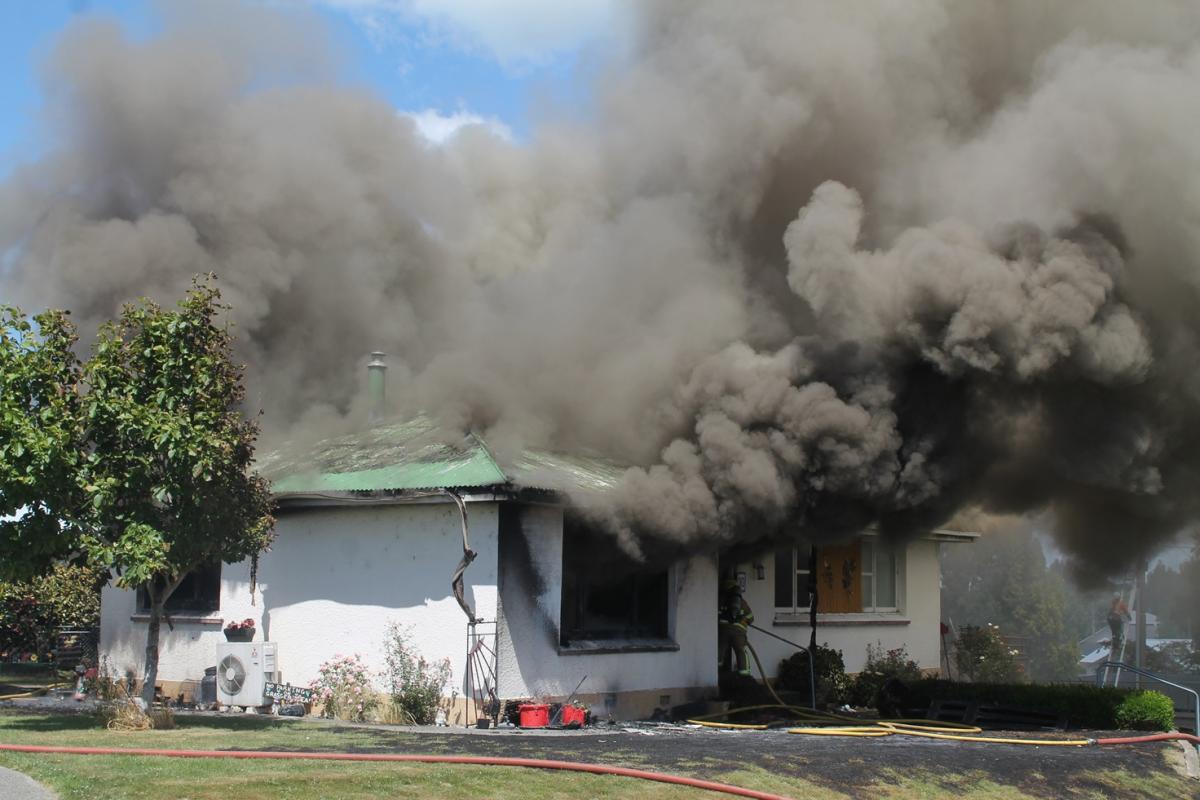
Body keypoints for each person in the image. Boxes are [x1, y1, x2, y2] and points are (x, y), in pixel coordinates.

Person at [718, 578, 754, 676]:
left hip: (723, 630)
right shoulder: (742, 602)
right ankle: (744, 674)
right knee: (741, 651)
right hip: (739, 632)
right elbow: (751, 618)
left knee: (720, 649)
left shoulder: (721, 600)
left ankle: (717, 671)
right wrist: (743, 619)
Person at [1107, 593, 1130, 658]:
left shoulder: (1112, 603)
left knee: (1114, 632)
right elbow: (1125, 611)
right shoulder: (1120, 603)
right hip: (1116, 619)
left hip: (1110, 619)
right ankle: (1116, 644)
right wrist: (1129, 617)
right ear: (1119, 598)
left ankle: (1115, 642)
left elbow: (1109, 611)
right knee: (1118, 631)